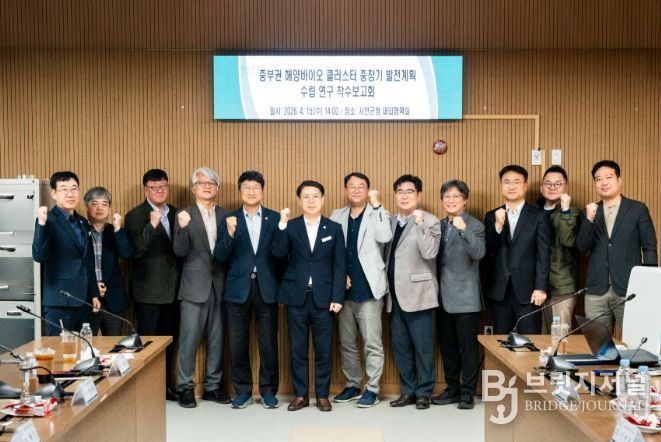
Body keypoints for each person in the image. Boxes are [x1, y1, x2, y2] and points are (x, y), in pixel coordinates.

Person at [273, 180, 346, 412]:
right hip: (296, 297)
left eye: (315, 196)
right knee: (298, 350)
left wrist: (338, 297)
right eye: (306, 197)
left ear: (323, 199)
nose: (311, 201)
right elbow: (278, 252)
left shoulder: (334, 228)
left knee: (324, 350)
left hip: (324, 298)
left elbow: (340, 265)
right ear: (299, 200)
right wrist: (282, 224)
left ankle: (322, 395)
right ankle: (301, 394)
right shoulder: (290, 226)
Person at [214, 171, 282, 409]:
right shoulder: (228, 219)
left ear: (262, 191)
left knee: (268, 344)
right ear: (240, 191)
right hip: (237, 289)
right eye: (246, 187)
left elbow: (281, 255)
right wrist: (230, 234)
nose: (251, 191)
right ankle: (242, 390)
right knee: (238, 343)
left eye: (256, 187)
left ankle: (269, 391)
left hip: (267, 288)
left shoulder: (275, 218)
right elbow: (220, 256)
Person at [330, 172, 391, 408]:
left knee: (372, 343)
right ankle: (353, 384)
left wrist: (376, 205)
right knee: (346, 343)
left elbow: (385, 236)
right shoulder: (337, 215)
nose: (356, 190)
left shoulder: (379, 213)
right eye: (351, 186)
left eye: (361, 186)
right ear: (345, 190)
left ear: (368, 190)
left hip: (369, 289)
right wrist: (338, 277)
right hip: (343, 291)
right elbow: (330, 251)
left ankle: (372, 389)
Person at [576, 160, 657, 335]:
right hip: (596, 289)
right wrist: (589, 219)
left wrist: (648, 284)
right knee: (598, 343)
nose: (603, 182)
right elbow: (582, 246)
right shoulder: (589, 211)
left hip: (629, 288)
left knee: (635, 339)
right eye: (598, 179)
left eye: (608, 177)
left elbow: (649, 247)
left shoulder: (637, 209)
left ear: (619, 180)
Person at [172, 167, 229, 408]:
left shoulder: (226, 215)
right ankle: (185, 387)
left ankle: (213, 387)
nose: (207, 186)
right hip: (193, 287)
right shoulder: (184, 214)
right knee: (188, 341)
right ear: (193, 188)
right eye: (202, 183)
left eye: (211, 183)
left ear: (217, 188)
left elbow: (228, 252)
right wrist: (183, 228)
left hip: (220, 286)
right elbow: (179, 251)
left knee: (217, 340)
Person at [385, 175, 441, 410]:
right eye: (400, 191)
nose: (404, 196)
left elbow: (430, 253)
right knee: (401, 347)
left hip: (419, 294)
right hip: (393, 295)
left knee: (423, 347)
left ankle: (424, 392)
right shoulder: (389, 221)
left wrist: (419, 224)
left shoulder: (430, 220)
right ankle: (408, 391)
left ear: (419, 195)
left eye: (409, 191)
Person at [125, 168, 180, 401]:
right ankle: (148, 391)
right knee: (148, 344)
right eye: (154, 187)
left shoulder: (176, 213)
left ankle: (166, 386)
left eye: (163, 186)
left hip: (174, 291)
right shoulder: (135, 215)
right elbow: (135, 251)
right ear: (145, 190)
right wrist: (153, 225)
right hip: (148, 292)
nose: (159, 191)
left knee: (169, 343)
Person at [431, 180, 485, 410]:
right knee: (448, 347)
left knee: (468, 348)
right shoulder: (439, 225)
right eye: (447, 197)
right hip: (441, 298)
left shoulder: (475, 225)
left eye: (456, 196)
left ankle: (468, 392)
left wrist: (463, 229)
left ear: (465, 200)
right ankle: (452, 388)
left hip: (466, 298)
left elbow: (479, 252)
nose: (451, 200)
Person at [484, 165, 550, 335]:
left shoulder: (539, 215)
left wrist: (540, 287)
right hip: (500, 291)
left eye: (516, 182)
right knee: (501, 342)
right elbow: (488, 251)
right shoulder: (491, 216)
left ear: (525, 186)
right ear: (501, 186)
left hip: (529, 292)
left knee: (530, 340)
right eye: (506, 182)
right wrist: (498, 226)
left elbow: (543, 254)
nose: (511, 186)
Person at [32, 171, 100, 335]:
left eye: (74, 188)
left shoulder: (82, 221)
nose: (70, 194)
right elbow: (38, 255)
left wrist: (94, 294)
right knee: (59, 349)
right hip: (59, 302)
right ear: (54, 193)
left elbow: (88, 261)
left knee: (85, 348)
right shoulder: (48, 220)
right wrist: (41, 223)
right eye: (64, 189)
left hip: (84, 301)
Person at [83, 186, 133, 336]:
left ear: (109, 208)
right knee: (86, 344)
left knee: (113, 345)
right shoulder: (80, 231)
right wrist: (93, 287)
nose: (99, 208)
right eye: (94, 204)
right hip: (87, 299)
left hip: (113, 299)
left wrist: (118, 229)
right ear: (86, 206)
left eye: (104, 204)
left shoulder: (114, 231)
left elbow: (127, 254)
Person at [537, 166, 580, 327]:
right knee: (539, 337)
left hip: (561, 286)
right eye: (548, 183)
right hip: (536, 286)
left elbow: (568, 240)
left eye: (558, 184)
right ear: (541, 188)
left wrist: (565, 210)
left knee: (560, 336)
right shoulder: (534, 213)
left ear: (566, 187)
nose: (552, 187)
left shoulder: (573, 212)